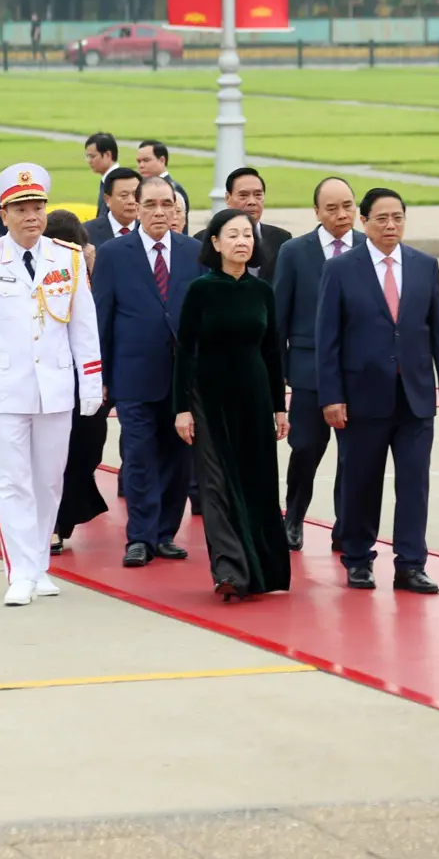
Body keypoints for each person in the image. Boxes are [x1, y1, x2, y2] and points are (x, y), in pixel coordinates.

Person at [0, 163, 104, 606]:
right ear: (4, 214)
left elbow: (84, 327)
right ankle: (20, 571)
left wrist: (90, 382)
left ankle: (39, 566)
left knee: (48, 480)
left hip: (54, 388)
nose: (31, 216)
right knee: (13, 481)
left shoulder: (67, 258)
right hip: (3, 390)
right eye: (21, 208)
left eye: (37, 207)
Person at [316, 187, 439, 594]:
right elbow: (328, 339)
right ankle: (358, 558)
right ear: (364, 222)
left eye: (397, 217)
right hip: (362, 398)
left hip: (414, 397)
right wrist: (331, 396)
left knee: (414, 484)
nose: (391, 225)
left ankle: (411, 564)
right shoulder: (342, 269)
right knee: (362, 482)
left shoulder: (424, 265)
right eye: (382, 218)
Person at [175, 208, 291, 600]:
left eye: (247, 235)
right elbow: (185, 352)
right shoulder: (201, 290)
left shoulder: (262, 291)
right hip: (210, 401)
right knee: (216, 485)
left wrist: (279, 407)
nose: (242, 241)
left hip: (255, 400)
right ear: (215, 243)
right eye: (233, 235)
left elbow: (273, 353)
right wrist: (182, 407)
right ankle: (228, 569)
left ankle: (263, 569)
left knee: (258, 483)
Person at [92, 175, 200, 567]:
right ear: (136, 207)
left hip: (181, 380)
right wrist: (100, 376)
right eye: (151, 204)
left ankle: (165, 533)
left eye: (166, 204)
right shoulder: (114, 253)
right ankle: (140, 536)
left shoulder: (194, 252)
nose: (159, 212)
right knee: (138, 457)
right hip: (134, 375)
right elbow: (102, 316)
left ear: (176, 208)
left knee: (177, 459)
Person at [273, 176, 362, 551]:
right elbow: (279, 319)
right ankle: (294, 516)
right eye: (332, 208)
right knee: (306, 447)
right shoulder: (296, 252)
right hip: (309, 373)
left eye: (348, 206)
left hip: (359, 372)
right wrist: (276, 381)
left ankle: (347, 526)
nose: (342, 215)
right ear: (316, 212)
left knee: (356, 455)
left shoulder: (369, 247)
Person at [44, 211, 109, 553]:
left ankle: (66, 513)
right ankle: (53, 521)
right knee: (52, 452)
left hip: (89, 378)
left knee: (88, 448)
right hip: (49, 379)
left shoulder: (97, 273)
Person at [193, 167, 291, 282]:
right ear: (228, 198)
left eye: (258, 195)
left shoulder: (282, 240)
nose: (252, 202)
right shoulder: (201, 240)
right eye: (243, 195)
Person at [86, 166, 141, 244]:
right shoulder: (86, 233)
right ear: (107, 199)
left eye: (136, 195)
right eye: (124, 195)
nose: (131, 201)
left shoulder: (149, 231)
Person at [136, 140, 190, 210]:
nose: (141, 165)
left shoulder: (173, 189)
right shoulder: (141, 188)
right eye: (139, 162)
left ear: (162, 160)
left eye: (146, 160)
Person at [85, 132, 119, 218]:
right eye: (88, 157)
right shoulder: (106, 179)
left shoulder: (117, 182)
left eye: (92, 156)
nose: (89, 161)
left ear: (107, 155)